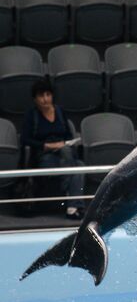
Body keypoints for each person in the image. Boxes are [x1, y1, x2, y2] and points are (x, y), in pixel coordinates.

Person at [22, 80, 86, 219]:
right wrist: (48, 146)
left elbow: (68, 135)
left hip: (63, 154)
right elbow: (25, 139)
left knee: (78, 163)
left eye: (48, 95)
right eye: (41, 96)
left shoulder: (60, 111)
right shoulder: (31, 115)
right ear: (35, 99)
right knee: (77, 166)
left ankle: (71, 207)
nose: (45, 99)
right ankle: (73, 202)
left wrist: (63, 143)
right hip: (44, 156)